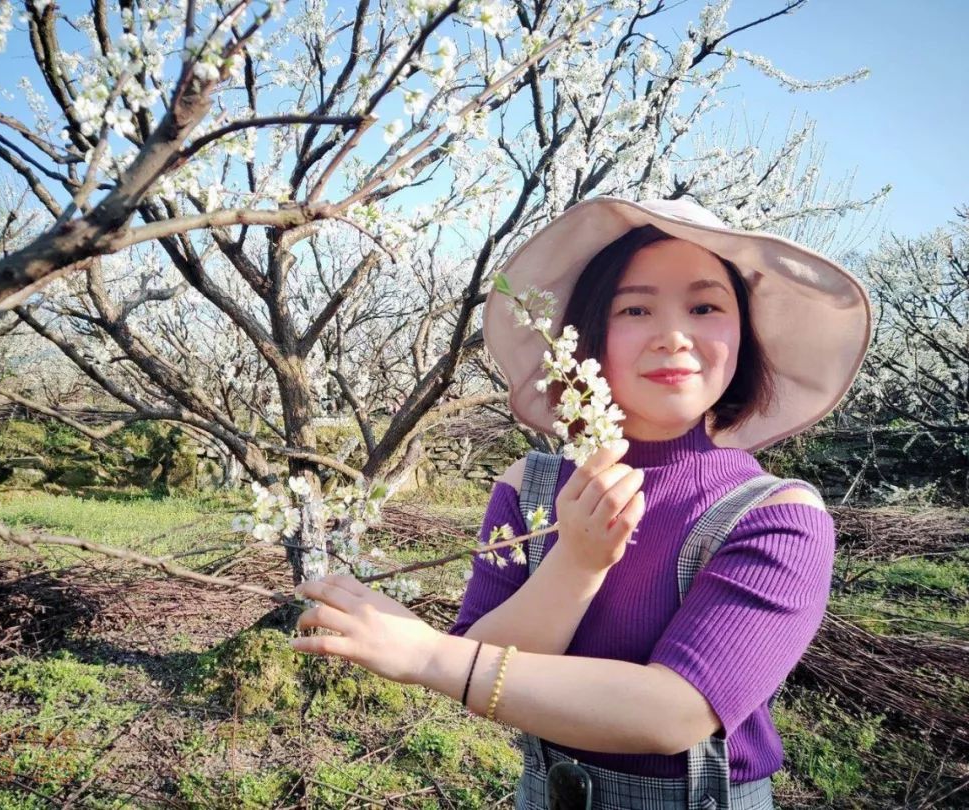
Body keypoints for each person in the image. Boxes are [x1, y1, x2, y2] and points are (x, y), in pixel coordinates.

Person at [289, 197, 872, 810]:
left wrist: (430, 654)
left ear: (743, 338)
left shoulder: (776, 516)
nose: (673, 335)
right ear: (587, 339)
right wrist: (578, 562)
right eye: (635, 308)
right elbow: (487, 649)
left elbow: (676, 712)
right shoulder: (528, 488)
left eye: (705, 307)